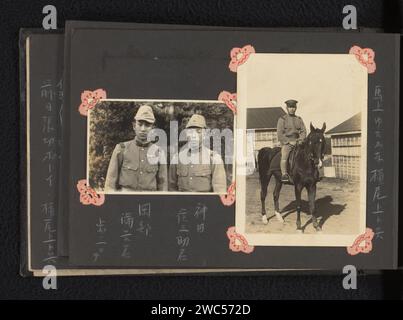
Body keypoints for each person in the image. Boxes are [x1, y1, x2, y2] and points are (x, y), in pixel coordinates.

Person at [104, 104, 168, 192]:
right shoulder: (121, 149)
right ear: (134, 126)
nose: (143, 129)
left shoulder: (159, 152)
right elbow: (110, 184)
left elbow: (163, 186)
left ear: (153, 128)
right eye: (140, 124)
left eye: (147, 125)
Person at [169, 114, 227, 193]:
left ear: (205, 134)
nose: (194, 135)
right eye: (190, 131)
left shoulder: (214, 158)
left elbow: (220, 191)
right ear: (186, 134)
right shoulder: (177, 158)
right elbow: (172, 188)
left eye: (198, 132)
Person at [276, 99, 307, 183]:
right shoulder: (282, 119)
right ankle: (284, 174)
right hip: (287, 143)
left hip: (298, 142)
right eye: (290, 107)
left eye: (293, 107)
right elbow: (280, 133)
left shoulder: (299, 119)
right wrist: (289, 142)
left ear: (296, 108)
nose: (292, 109)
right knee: (284, 157)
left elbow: (303, 131)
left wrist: (300, 140)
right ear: (287, 108)